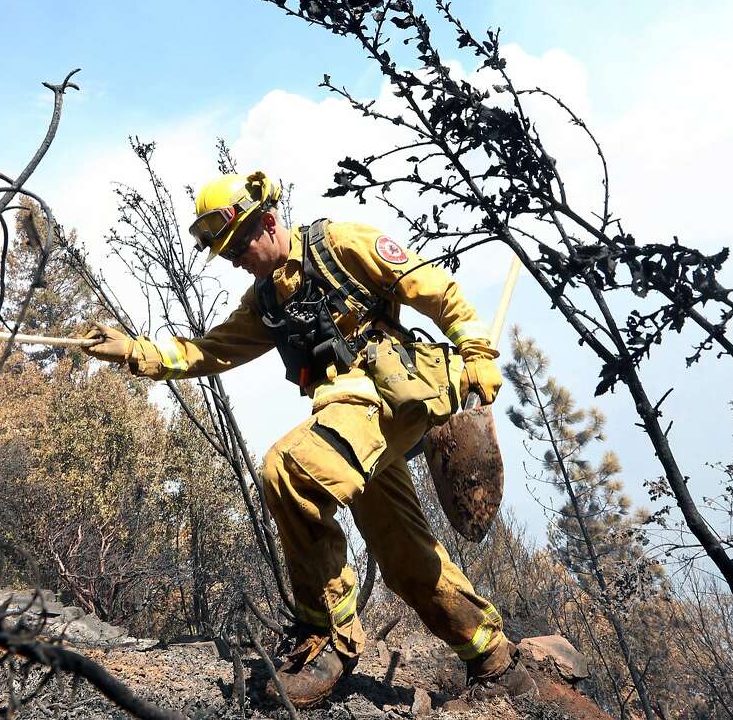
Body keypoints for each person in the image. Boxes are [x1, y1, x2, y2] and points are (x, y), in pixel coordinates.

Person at [83, 171, 534, 707]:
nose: (233, 260)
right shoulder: (267, 301)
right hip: (351, 417)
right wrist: (136, 352)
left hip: (389, 392)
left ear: (268, 222)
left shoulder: (339, 244)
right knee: (405, 559)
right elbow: (211, 350)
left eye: (237, 246)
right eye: (224, 253)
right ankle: (495, 658)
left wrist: (477, 352)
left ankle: (327, 640)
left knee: (290, 469)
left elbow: (432, 287)